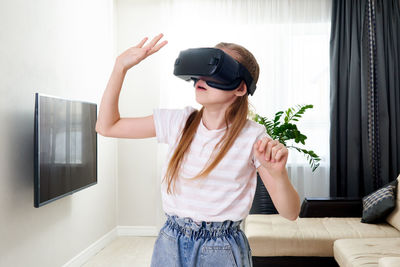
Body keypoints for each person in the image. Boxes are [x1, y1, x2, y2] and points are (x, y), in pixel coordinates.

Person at [96, 33, 301, 267]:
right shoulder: (177, 122)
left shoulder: (252, 138)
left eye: (215, 69)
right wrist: (119, 68)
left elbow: (290, 213)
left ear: (240, 88)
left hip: (221, 249)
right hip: (170, 241)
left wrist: (278, 174)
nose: (201, 78)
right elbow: (106, 126)